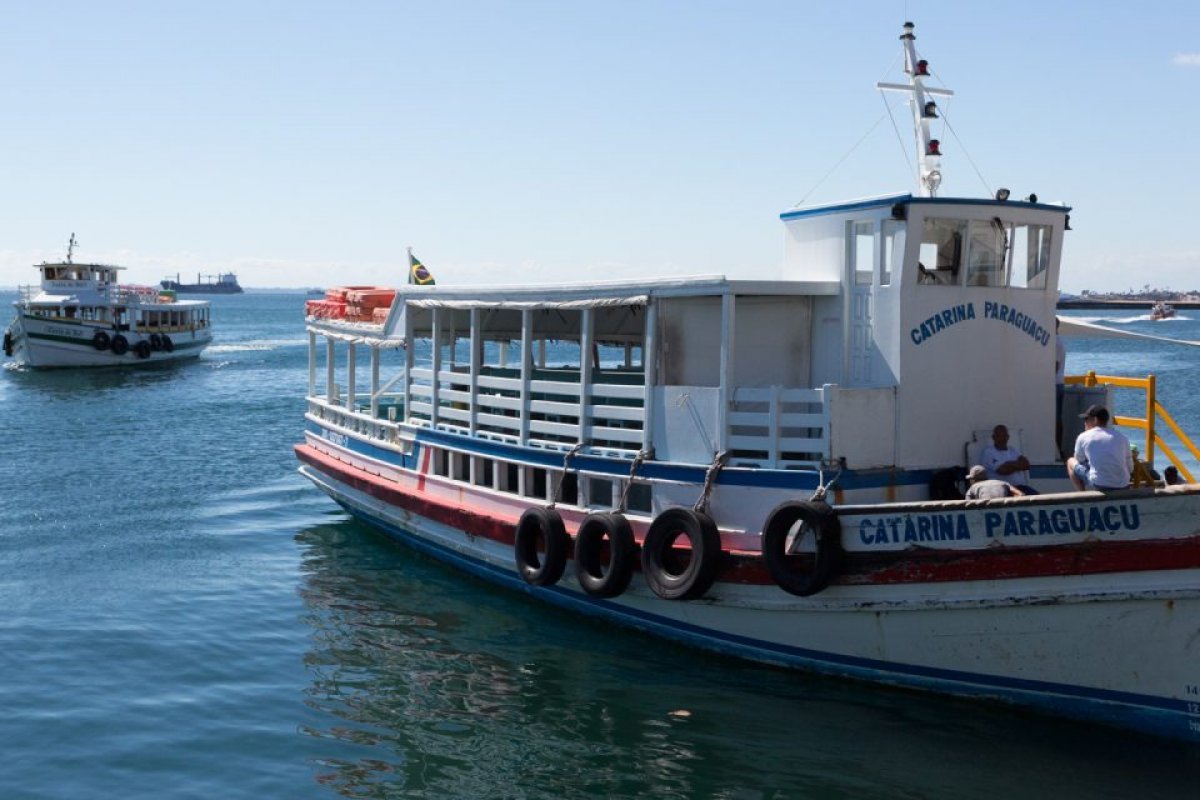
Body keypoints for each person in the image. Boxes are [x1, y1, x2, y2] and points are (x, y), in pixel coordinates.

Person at [1067, 404, 1132, 491]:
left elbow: (1079, 460)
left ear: (1095, 420)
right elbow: (1130, 467)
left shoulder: (1083, 436)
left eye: (1086, 419)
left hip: (1100, 484)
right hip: (1123, 485)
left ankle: (1082, 495)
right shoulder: (1122, 437)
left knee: (1070, 461)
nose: (1084, 422)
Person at [981, 424, 1037, 494]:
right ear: (993, 437)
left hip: (1020, 486)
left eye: (1004, 436)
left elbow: (1027, 465)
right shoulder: (989, 452)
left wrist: (1009, 464)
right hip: (1001, 489)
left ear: (1008, 437)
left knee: (1038, 497)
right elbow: (1003, 471)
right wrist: (1018, 466)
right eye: (999, 436)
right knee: (1021, 496)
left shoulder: (1013, 450)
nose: (1002, 439)